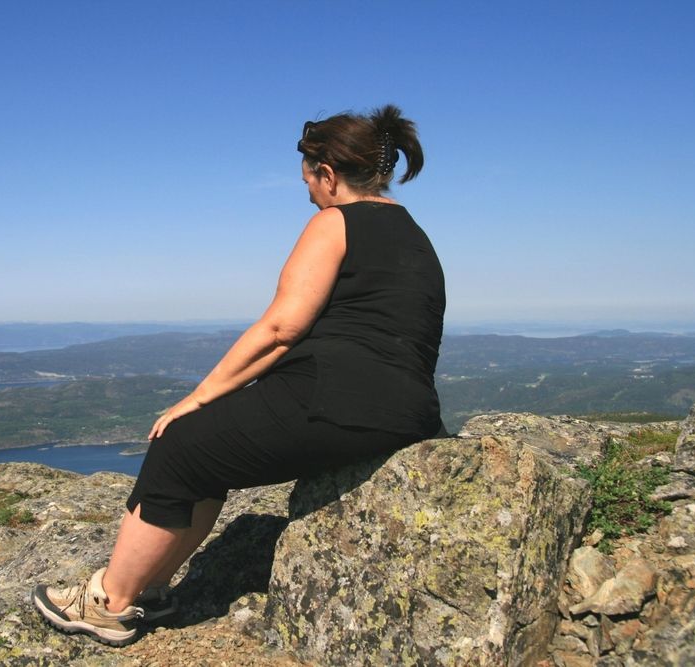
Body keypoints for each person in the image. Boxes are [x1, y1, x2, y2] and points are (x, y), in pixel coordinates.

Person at [32, 104, 445, 646]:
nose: (310, 195)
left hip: (335, 398)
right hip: (408, 411)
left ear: (328, 174)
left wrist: (199, 397)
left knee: (179, 445)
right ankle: (149, 589)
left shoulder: (335, 222)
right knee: (207, 456)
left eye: (310, 183)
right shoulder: (412, 231)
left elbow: (280, 328)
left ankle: (110, 602)